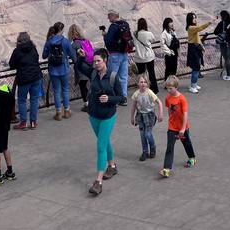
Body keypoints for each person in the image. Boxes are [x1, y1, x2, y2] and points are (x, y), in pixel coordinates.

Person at [76, 49, 122, 196]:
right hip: (93, 115)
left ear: (105, 60)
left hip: (108, 116)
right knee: (105, 140)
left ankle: (98, 182)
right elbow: (79, 66)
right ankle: (112, 166)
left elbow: (122, 97)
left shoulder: (114, 77)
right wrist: (80, 57)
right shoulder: (93, 73)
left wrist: (109, 99)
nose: (95, 64)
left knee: (100, 146)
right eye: (94, 61)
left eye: (98, 61)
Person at [159, 75, 196, 178]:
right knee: (169, 147)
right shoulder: (167, 98)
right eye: (167, 88)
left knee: (186, 143)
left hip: (182, 127)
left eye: (171, 88)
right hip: (172, 128)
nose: (169, 90)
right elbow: (169, 110)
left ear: (176, 87)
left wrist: (183, 128)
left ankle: (192, 158)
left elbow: (185, 114)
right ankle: (167, 169)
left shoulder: (182, 99)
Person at [42, 25, 77, 121]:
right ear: (61, 30)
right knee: (65, 90)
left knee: (56, 91)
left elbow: (44, 56)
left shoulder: (49, 42)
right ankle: (67, 111)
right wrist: (75, 61)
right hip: (64, 69)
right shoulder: (65, 41)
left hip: (53, 70)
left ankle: (58, 113)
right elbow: (72, 54)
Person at [10, 32, 42, 129]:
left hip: (24, 79)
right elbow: (36, 59)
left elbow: (12, 65)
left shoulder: (17, 51)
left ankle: (23, 123)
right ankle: (33, 122)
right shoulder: (33, 48)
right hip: (36, 77)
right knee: (34, 100)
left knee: (22, 100)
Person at [130, 73, 163, 161]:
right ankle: (145, 151)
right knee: (142, 135)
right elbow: (133, 106)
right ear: (138, 84)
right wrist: (132, 117)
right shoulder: (136, 94)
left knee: (147, 134)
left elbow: (159, 102)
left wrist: (160, 113)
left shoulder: (149, 92)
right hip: (140, 115)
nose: (143, 84)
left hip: (149, 115)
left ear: (148, 84)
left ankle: (153, 148)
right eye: (141, 82)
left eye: (145, 82)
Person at [102, 10, 132, 105]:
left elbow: (108, 41)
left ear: (113, 16)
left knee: (112, 76)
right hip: (124, 54)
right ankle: (123, 98)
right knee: (123, 76)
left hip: (115, 54)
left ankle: (113, 99)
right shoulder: (125, 24)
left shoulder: (113, 26)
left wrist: (104, 35)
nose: (108, 18)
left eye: (109, 16)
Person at [67, 25, 94, 113]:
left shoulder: (74, 44)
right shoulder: (86, 41)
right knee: (90, 85)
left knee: (83, 86)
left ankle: (87, 104)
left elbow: (74, 59)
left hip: (81, 68)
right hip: (90, 66)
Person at [185, 13, 214, 93]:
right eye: (193, 18)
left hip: (196, 48)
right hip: (193, 49)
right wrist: (210, 22)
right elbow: (201, 27)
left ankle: (194, 84)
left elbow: (197, 39)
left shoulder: (193, 28)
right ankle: (192, 86)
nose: (195, 19)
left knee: (197, 67)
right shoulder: (191, 28)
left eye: (195, 18)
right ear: (189, 19)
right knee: (196, 67)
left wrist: (202, 46)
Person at [133, 18, 159, 93]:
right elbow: (153, 40)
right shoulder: (148, 33)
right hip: (149, 57)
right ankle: (154, 90)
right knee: (151, 73)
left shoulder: (135, 34)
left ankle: (142, 90)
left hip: (139, 57)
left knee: (141, 75)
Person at [214, 10, 230, 81]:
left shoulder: (222, 23)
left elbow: (215, 32)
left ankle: (229, 75)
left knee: (227, 59)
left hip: (225, 43)